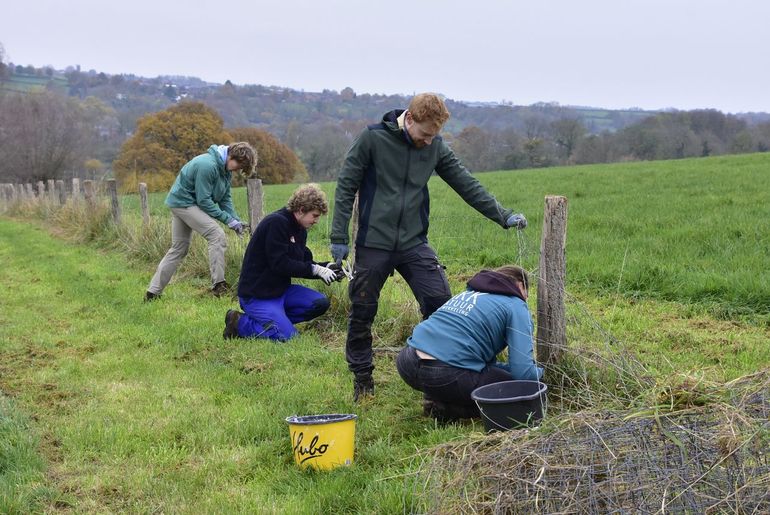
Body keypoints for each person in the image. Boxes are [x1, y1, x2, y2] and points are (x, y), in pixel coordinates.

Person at [329, 92, 528, 401]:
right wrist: (339, 239)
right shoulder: (373, 139)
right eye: (423, 134)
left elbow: (465, 183)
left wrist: (503, 216)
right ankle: (363, 379)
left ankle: (438, 380)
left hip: (413, 242)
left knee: (440, 302)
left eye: (433, 136)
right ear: (409, 118)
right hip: (374, 242)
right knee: (362, 309)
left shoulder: (434, 146)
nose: (427, 141)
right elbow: (345, 186)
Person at [395, 265, 543, 423]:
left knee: (490, 373)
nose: (526, 298)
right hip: (445, 374)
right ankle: (449, 408)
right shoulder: (516, 304)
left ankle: (436, 396)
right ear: (520, 285)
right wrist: (542, 373)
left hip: (407, 363)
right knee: (519, 389)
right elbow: (524, 374)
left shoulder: (467, 294)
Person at [223, 183, 342, 341]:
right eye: (315, 215)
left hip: (280, 290)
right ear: (301, 210)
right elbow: (280, 264)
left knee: (320, 303)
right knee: (289, 337)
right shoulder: (276, 223)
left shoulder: (300, 229)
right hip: (257, 294)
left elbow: (303, 262)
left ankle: (278, 322)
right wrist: (315, 270)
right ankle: (239, 323)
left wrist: (326, 267)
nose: (316, 221)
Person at [145, 142, 256, 300]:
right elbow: (203, 201)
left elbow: (225, 199)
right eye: (238, 165)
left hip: (185, 203)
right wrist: (227, 220)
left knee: (179, 248)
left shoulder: (225, 170)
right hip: (184, 203)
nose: (238, 170)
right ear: (231, 155)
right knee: (216, 235)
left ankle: (152, 293)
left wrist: (235, 220)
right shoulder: (208, 165)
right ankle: (219, 285)